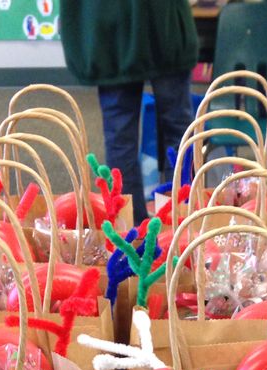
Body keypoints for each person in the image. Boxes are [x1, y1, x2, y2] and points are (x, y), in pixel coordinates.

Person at [60, 0, 198, 223]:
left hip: (111, 30)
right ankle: (180, 224)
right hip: (162, 23)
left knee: (121, 138)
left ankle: (133, 232)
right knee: (178, 131)